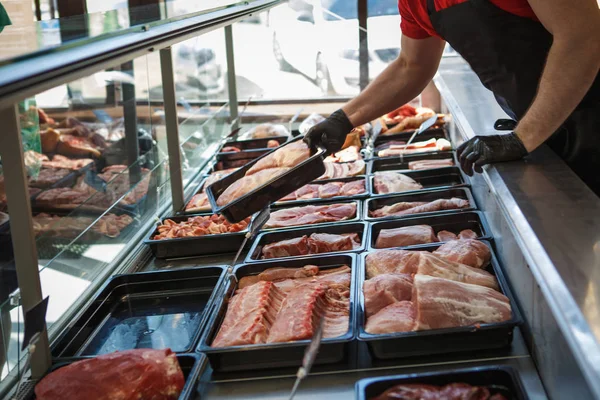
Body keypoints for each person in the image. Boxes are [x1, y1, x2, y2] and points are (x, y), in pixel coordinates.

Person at [304, 0, 600, 195]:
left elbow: (583, 36)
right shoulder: (415, 2)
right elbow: (412, 66)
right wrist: (343, 119)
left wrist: (521, 138)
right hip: (548, 127)